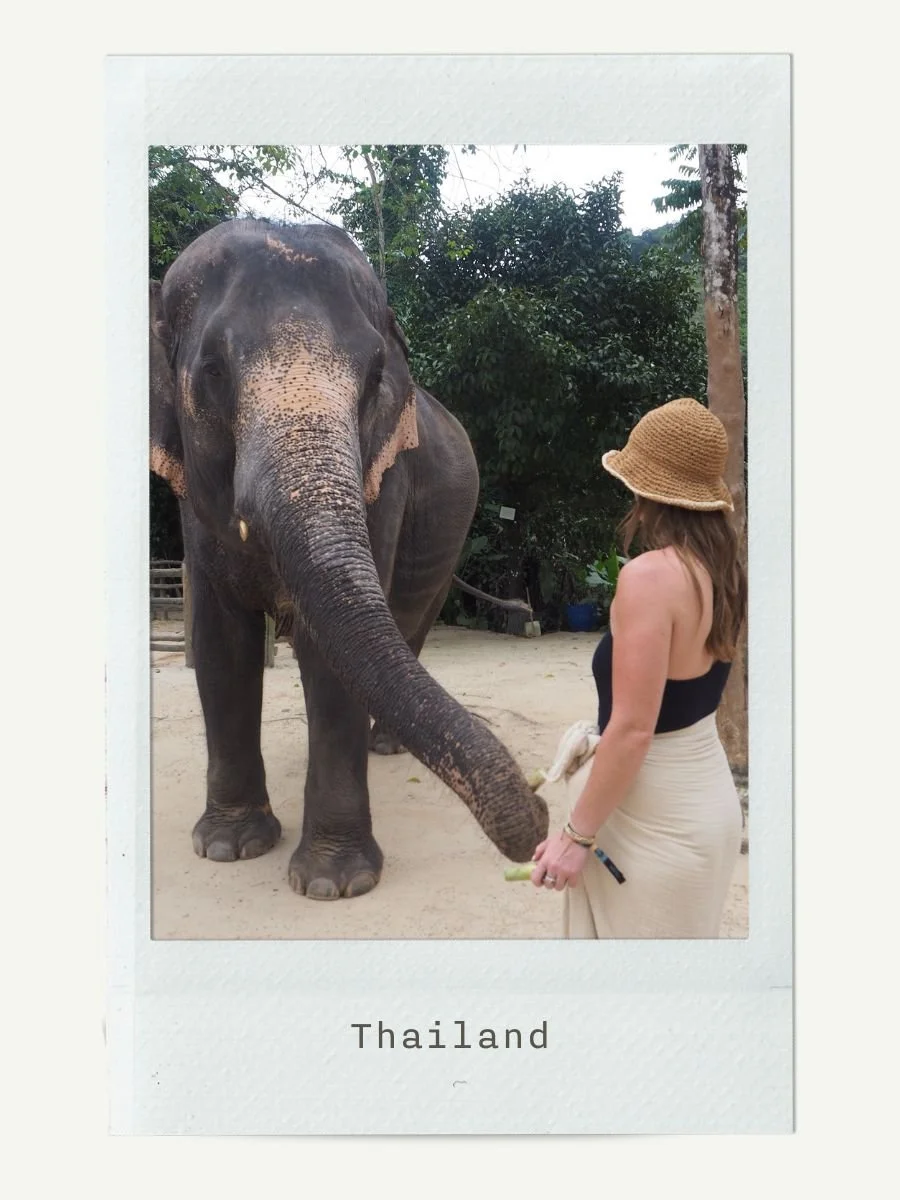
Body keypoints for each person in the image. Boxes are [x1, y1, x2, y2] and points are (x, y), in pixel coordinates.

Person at [530, 397, 747, 938]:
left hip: (657, 821)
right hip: (705, 804)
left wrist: (575, 838)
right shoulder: (725, 571)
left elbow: (632, 730)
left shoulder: (650, 577)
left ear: (647, 491)